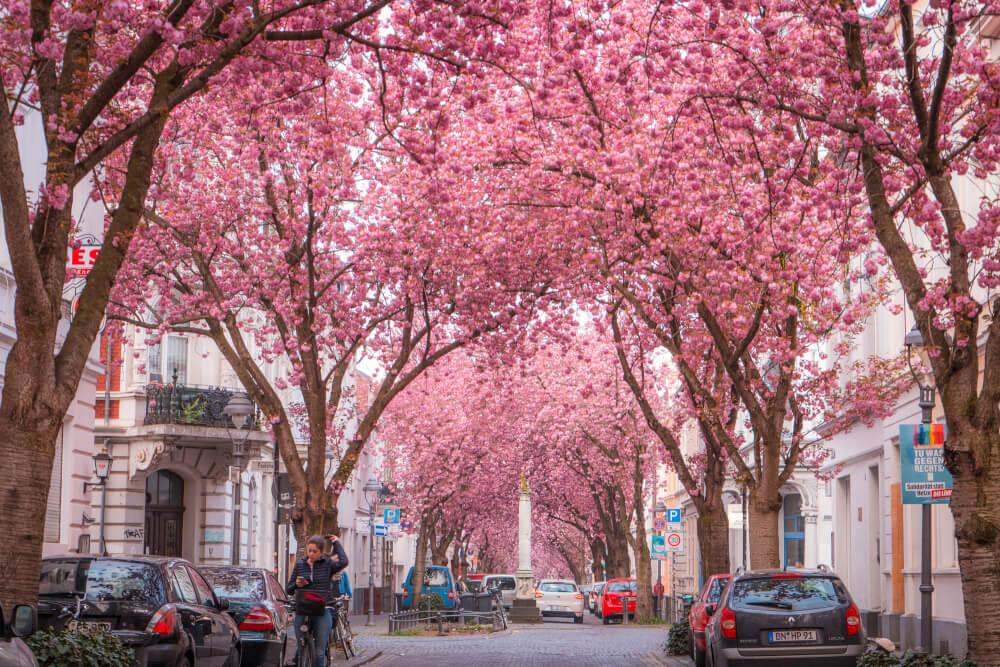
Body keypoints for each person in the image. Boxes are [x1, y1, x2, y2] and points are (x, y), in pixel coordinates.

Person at [286, 534, 348, 667]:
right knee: (301, 648)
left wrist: (336, 543)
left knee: (319, 652)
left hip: (322, 609)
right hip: (303, 609)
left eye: (315, 551)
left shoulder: (327, 564)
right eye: (309, 551)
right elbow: (289, 589)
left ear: (321, 552)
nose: (311, 554)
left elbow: (344, 561)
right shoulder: (300, 565)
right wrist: (297, 584)